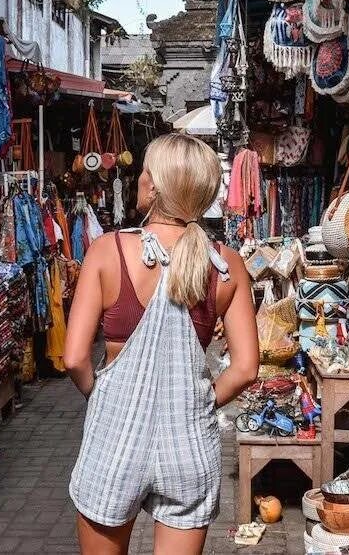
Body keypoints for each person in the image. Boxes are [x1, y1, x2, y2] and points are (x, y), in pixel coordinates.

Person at [63, 133, 259, 555]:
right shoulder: (228, 266)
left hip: (114, 442)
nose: (139, 180)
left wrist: (102, 397)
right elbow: (245, 368)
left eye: (144, 172)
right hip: (188, 448)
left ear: (153, 186)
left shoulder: (106, 251)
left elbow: (75, 358)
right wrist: (202, 401)